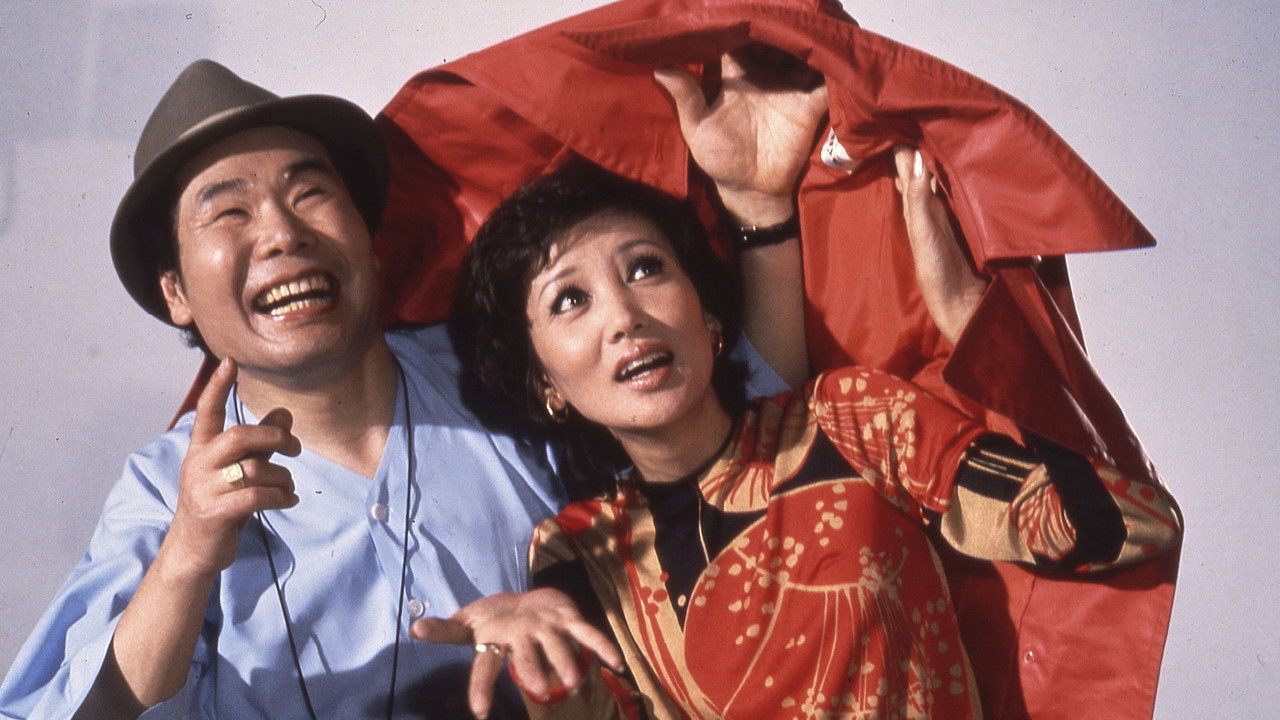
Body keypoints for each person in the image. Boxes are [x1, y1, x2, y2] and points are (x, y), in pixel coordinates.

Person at [432, 55, 1184, 718]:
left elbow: (1136, 525)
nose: (625, 317)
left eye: (646, 268)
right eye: (570, 300)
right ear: (545, 384)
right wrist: (539, 666)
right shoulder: (581, 549)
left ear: (709, 316)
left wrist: (972, 324)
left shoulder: (849, 420)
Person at [0, 59, 608, 719]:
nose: (283, 235)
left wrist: (573, 596)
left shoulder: (503, 372)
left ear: (370, 239)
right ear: (175, 292)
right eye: (229, 212)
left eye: (310, 193)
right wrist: (187, 558)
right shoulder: (164, 489)